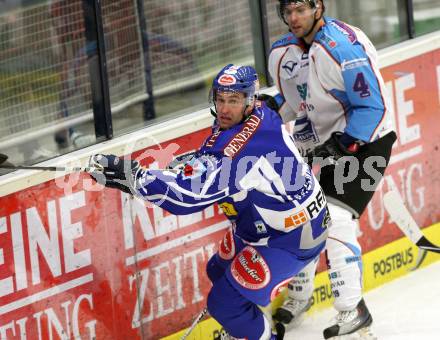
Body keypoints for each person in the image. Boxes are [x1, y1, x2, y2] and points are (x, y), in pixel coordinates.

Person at [88, 64, 330, 340]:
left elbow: (188, 198)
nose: (225, 108)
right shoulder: (256, 114)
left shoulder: (242, 148)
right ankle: (245, 327)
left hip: (292, 237)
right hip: (264, 225)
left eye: (234, 100)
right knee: (217, 269)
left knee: (223, 304)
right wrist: (196, 162)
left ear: (249, 101)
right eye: (221, 99)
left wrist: (133, 176)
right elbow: (219, 159)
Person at [267, 1, 397, 338]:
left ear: (318, 7)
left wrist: (344, 145)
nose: (293, 18)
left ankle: (354, 312)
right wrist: (265, 116)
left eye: (300, 9)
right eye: (288, 11)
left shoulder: (342, 46)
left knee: (334, 217)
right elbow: (294, 105)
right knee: (299, 214)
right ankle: (300, 295)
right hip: (323, 146)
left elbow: (373, 106)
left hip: (367, 142)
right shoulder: (284, 53)